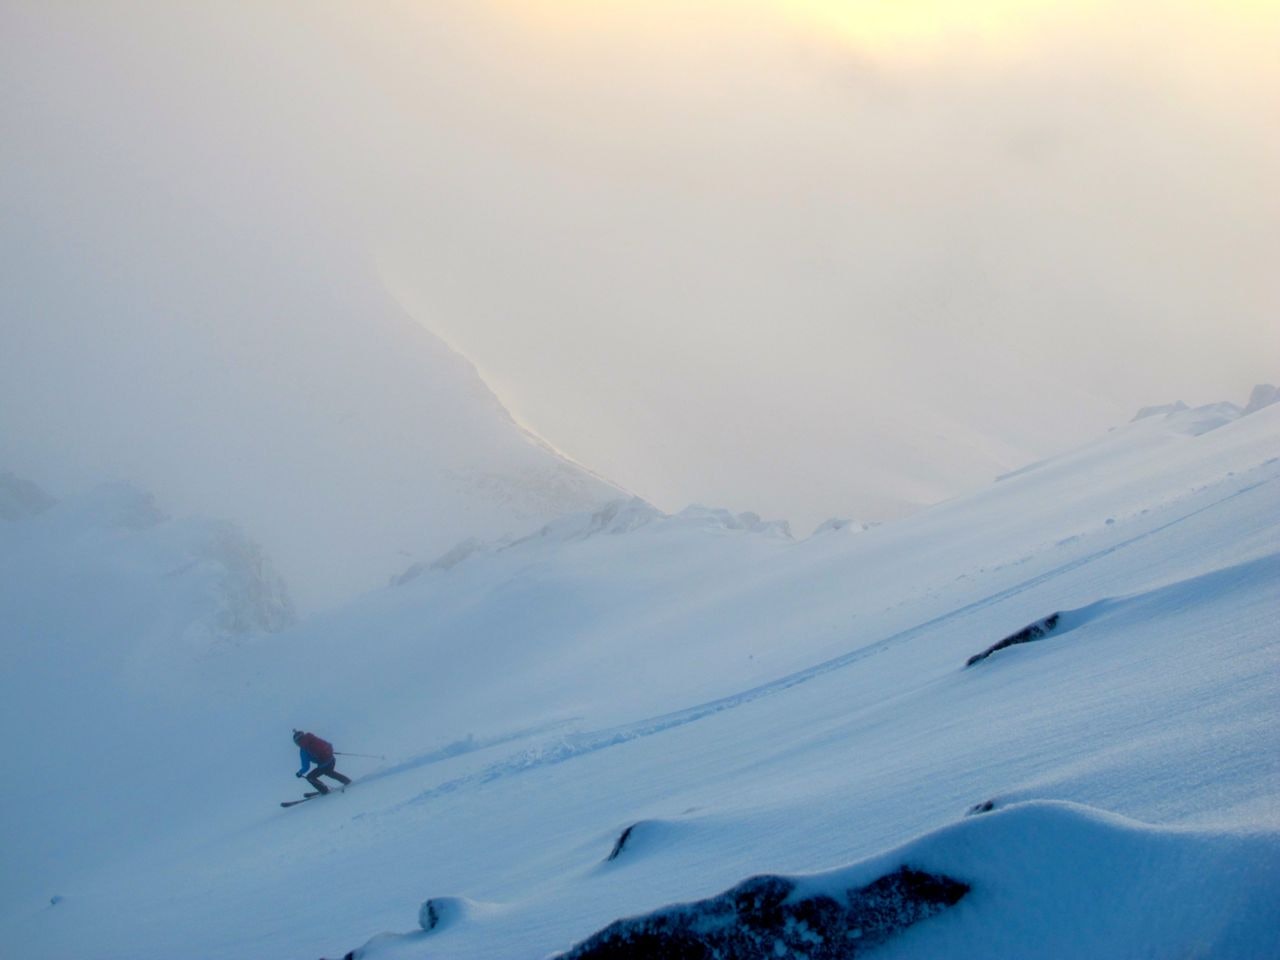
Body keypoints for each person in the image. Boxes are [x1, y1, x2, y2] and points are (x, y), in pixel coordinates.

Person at [292, 729, 352, 794]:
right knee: (329, 772)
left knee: (310, 777)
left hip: (323, 764)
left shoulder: (303, 750)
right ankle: (347, 781)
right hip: (331, 759)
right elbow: (329, 745)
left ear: (297, 742)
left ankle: (324, 790)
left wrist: (299, 773)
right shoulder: (313, 739)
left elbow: (306, 767)